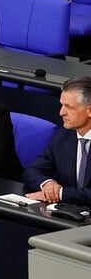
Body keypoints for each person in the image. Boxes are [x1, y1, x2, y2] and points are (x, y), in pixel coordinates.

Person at [24, 76, 91, 205]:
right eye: (62, 105)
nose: (61, 112)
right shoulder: (63, 135)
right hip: (67, 210)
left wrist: (60, 194)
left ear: (89, 111)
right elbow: (33, 170)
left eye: (69, 107)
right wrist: (47, 184)